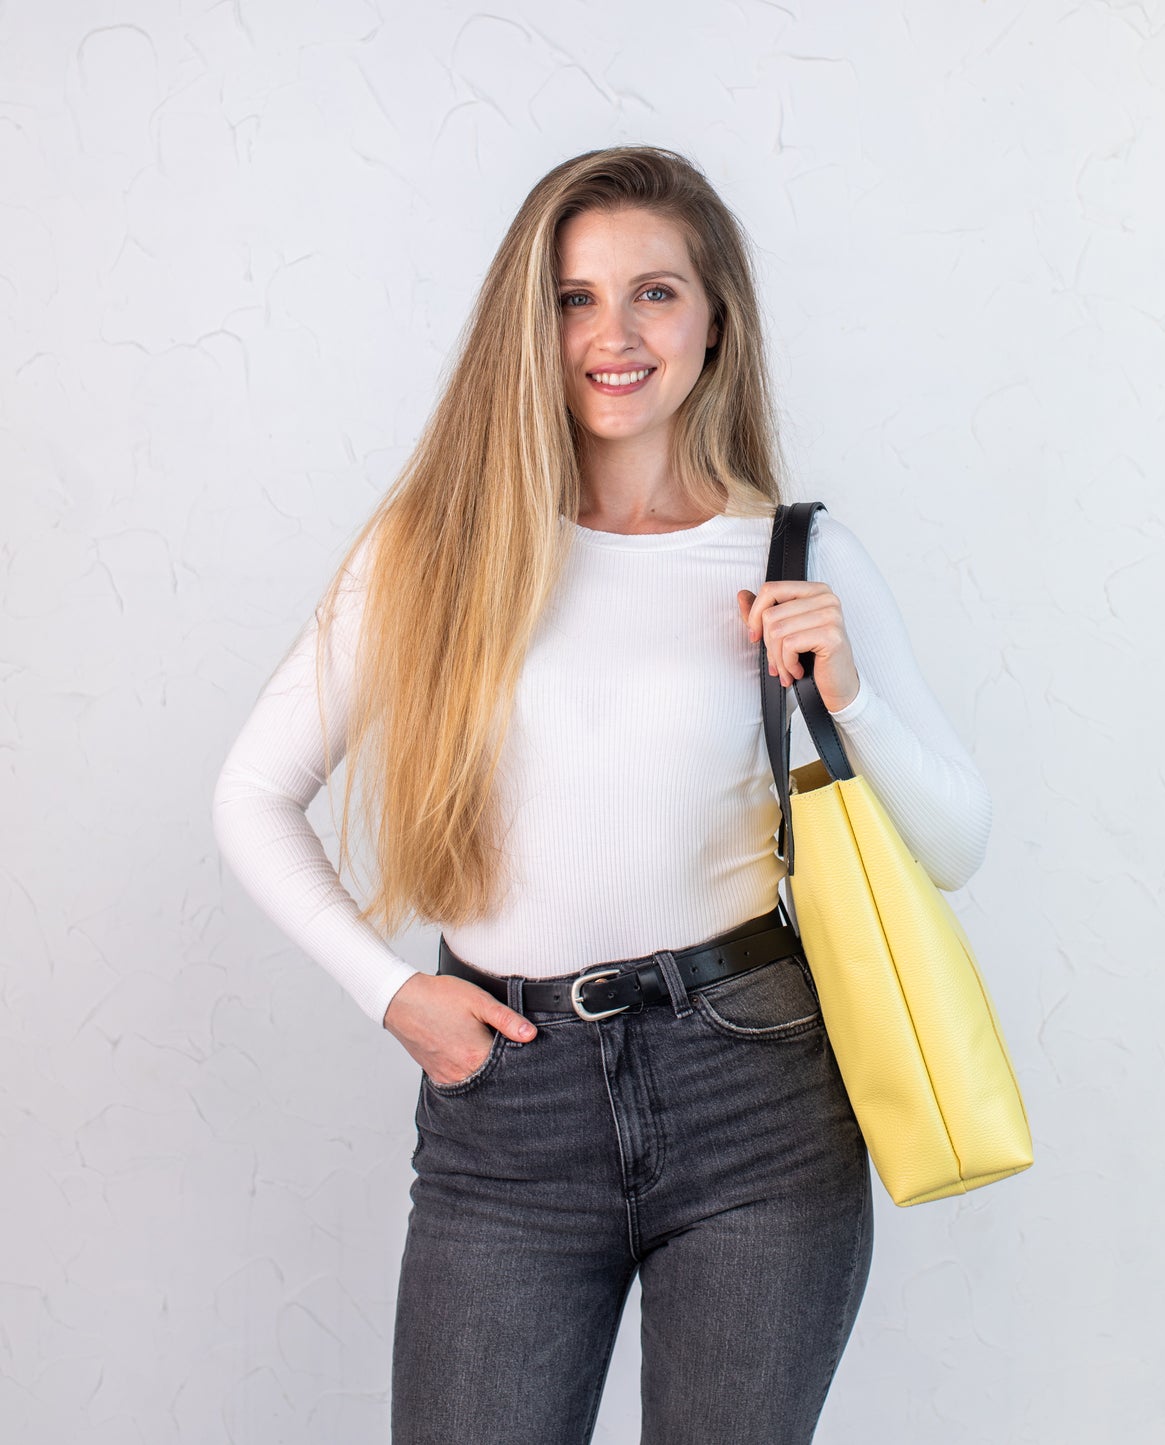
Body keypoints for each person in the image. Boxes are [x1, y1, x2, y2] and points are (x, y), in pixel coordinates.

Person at [211, 144, 993, 1445]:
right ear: (531, 322)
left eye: (654, 293)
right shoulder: (434, 547)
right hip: (504, 1110)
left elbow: (959, 839)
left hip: (757, 1094)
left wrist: (842, 690)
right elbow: (252, 791)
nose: (612, 334)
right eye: (574, 297)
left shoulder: (796, 554)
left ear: (715, 321)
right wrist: (393, 992)